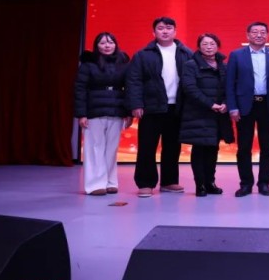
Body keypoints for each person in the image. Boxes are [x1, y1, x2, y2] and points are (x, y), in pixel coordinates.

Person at [126, 17, 192, 198]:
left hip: (176, 107)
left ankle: (169, 181)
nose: (165, 31)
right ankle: (145, 183)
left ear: (175, 31)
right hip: (151, 107)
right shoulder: (143, 54)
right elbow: (134, 81)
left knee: (173, 146)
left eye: (169, 28)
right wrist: (136, 104)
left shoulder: (186, 53)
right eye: (161, 28)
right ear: (153, 32)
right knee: (147, 146)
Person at [226, 22, 269, 197]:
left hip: (267, 106)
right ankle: (246, 184)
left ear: (268, 35)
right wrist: (232, 107)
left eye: (263, 32)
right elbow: (229, 83)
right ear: (247, 35)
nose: (259, 35)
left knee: (267, 147)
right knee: (244, 147)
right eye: (255, 32)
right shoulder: (236, 55)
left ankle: (264, 183)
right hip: (244, 106)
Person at [73, 32, 131, 196]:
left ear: (115, 45)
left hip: (116, 110)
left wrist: (128, 112)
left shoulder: (123, 63)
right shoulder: (88, 64)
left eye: (110, 42)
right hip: (94, 111)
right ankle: (95, 184)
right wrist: (81, 114)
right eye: (103, 43)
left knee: (112, 149)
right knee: (95, 148)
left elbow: (129, 88)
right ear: (96, 46)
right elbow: (79, 90)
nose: (107, 46)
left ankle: (110, 182)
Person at [179, 33, 234, 197]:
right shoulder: (190, 65)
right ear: (198, 46)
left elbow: (230, 87)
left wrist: (226, 103)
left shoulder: (224, 66)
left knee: (213, 148)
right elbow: (189, 88)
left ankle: (210, 182)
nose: (209, 47)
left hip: (218, 114)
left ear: (218, 46)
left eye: (212, 44)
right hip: (199, 112)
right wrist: (210, 104)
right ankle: (200, 185)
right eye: (205, 44)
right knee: (199, 148)